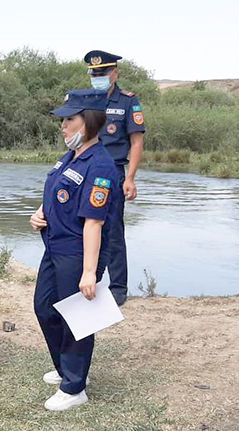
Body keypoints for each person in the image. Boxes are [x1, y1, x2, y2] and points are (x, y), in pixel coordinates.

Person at [29, 89, 118, 411]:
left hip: (79, 252)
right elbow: (57, 191)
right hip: (54, 247)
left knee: (77, 318)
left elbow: (94, 223)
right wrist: (40, 212)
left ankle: (75, 386)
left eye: (70, 119)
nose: (63, 126)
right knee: (44, 309)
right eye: (63, 120)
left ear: (89, 121)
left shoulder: (101, 167)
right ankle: (66, 368)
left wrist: (90, 272)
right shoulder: (71, 156)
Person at [84, 49, 146, 306]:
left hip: (114, 173)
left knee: (113, 231)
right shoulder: (86, 100)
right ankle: (89, 281)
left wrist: (129, 178)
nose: (97, 77)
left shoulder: (128, 101)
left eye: (102, 73)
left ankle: (118, 287)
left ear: (115, 73)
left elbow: (136, 141)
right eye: (94, 73)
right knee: (84, 227)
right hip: (87, 171)